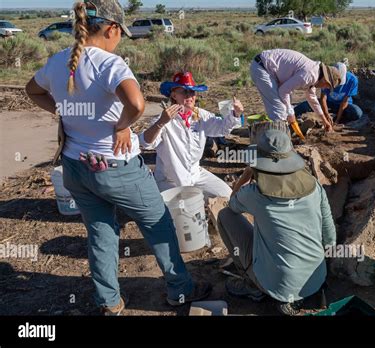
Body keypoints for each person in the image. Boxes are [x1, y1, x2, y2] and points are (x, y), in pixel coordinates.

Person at [25, 0, 210, 315]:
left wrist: (63, 111)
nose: (120, 38)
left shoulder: (59, 61)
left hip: (75, 165)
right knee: (158, 223)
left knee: (100, 230)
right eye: (120, 32)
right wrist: (122, 126)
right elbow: (136, 103)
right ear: (111, 28)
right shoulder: (109, 63)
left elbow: (33, 90)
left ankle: (109, 301)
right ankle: (180, 290)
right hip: (116, 165)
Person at [216, 129, 337, 316]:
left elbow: (232, 204)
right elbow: (329, 236)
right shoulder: (314, 185)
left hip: (279, 285)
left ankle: (253, 287)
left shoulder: (254, 194)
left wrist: (246, 175)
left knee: (224, 216)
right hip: (316, 277)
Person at [139, 71, 243, 199]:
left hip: (196, 174)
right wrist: (161, 122)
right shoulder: (164, 118)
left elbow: (222, 128)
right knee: (184, 210)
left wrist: (236, 114)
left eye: (192, 92)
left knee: (227, 196)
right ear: (173, 94)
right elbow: (146, 142)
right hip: (170, 180)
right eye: (184, 91)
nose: (189, 96)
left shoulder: (201, 115)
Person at [250, 48, 342, 131]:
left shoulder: (315, 75)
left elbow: (312, 99)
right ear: (325, 80)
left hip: (269, 69)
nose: (325, 88)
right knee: (279, 110)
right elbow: (283, 91)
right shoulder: (310, 75)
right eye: (327, 86)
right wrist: (291, 114)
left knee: (286, 106)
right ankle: (278, 143)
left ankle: (283, 133)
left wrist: (324, 121)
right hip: (262, 67)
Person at [294, 62, 363, 125]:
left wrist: (337, 120)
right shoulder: (327, 78)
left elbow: (344, 102)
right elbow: (323, 98)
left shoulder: (352, 80)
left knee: (357, 112)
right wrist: (326, 115)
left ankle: (338, 117)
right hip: (329, 103)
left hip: (343, 106)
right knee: (307, 104)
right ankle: (290, 115)